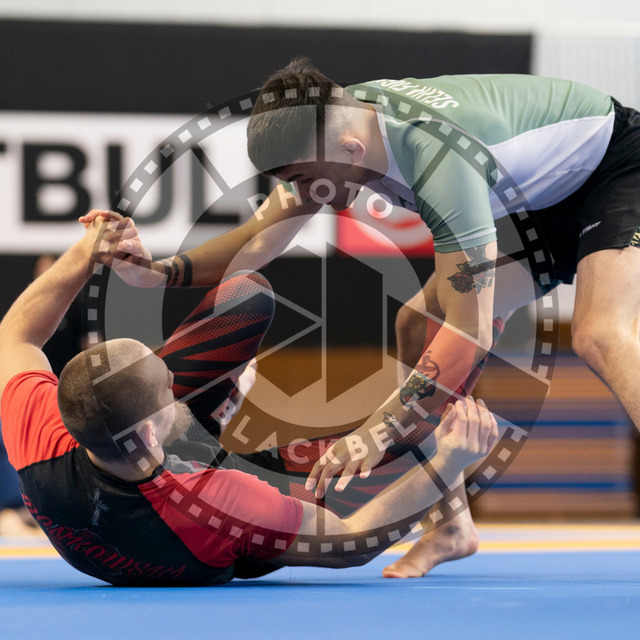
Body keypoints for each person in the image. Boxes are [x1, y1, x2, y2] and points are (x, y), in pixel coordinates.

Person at [82, 56, 640, 577]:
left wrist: (377, 431)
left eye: (304, 180)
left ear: (350, 149)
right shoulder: (337, 132)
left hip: (617, 166)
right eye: (292, 183)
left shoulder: (440, 161)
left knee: (599, 333)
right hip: (535, 202)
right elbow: (256, 240)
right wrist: (155, 272)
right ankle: (453, 528)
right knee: (415, 328)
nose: (302, 195)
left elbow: (468, 331)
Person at [0, 214, 497, 586]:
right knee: (416, 436)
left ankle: (210, 413)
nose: (173, 375)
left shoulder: (42, 437)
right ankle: (454, 522)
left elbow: (14, 336)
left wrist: (88, 251)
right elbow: (350, 542)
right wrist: (449, 464)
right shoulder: (224, 503)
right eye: (169, 386)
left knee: (245, 297)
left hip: (146, 486)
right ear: (152, 431)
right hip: (211, 526)